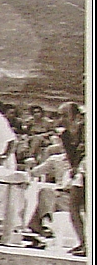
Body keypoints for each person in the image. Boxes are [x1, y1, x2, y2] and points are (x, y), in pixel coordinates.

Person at [57, 101, 86, 256]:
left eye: (65, 115)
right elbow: (70, 156)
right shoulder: (65, 135)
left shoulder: (87, 130)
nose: (62, 119)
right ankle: (83, 242)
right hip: (80, 172)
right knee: (74, 207)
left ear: (76, 117)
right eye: (60, 116)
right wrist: (74, 169)